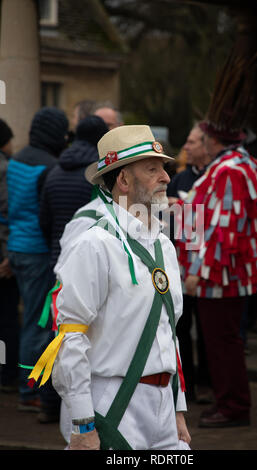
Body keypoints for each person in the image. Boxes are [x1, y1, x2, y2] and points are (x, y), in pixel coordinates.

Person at [28, 125, 191, 450]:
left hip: (163, 410)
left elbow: (167, 333)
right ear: (124, 180)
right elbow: (70, 339)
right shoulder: (93, 243)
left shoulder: (164, 246)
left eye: (164, 168)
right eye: (152, 169)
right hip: (112, 407)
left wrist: (178, 409)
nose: (166, 178)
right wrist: (83, 423)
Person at [176, 52, 257, 428]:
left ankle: (233, 407)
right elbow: (211, 215)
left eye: (201, 138)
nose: (198, 143)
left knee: (222, 343)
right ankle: (230, 403)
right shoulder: (234, 166)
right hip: (226, 274)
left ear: (213, 140)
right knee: (221, 342)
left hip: (222, 277)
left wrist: (199, 272)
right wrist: (178, 204)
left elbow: (223, 229)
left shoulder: (230, 170)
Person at [6, 107, 69, 418]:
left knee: (27, 320)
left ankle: (25, 386)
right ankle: (29, 389)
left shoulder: (16, 159)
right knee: (37, 323)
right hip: (37, 252)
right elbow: (47, 216)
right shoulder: (50, 166)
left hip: (17, 248)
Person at [167, 123, 212, 403]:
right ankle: (188, 386)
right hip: (180, 265)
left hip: (207, 265)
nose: (185, 147)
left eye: (192, 142)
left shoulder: (217, 178)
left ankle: (209, 384)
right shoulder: (180, 178)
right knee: (181, 327)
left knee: (208, 328)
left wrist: (184, 209)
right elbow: (167, 224)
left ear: (206, 146)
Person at [39, 115, 108, 272]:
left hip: (59, 257)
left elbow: (44, 221)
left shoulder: (54, 172)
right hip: (90, 261)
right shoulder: (100, 177)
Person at [0, 119, 20, 393]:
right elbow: (6, 215)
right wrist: (8, 257)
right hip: (2, 253)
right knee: (7, 314)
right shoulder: (5, 169)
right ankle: (7, 375)